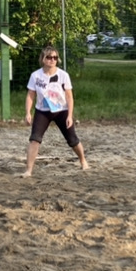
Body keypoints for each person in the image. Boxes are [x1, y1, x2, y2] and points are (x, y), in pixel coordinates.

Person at [23, 45, 89, 176]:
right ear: (43, 59)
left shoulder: (63, 75)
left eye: (55, 57)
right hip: (42, 111)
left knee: (72, 139)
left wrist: (70, 115)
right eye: (49, 57)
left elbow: (69, 97)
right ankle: (28, 170)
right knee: (35, 139)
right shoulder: (36, 76)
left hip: (61, 110)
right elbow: (31, 95)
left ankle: (83, 161)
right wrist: (28, 113)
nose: (52, 60)